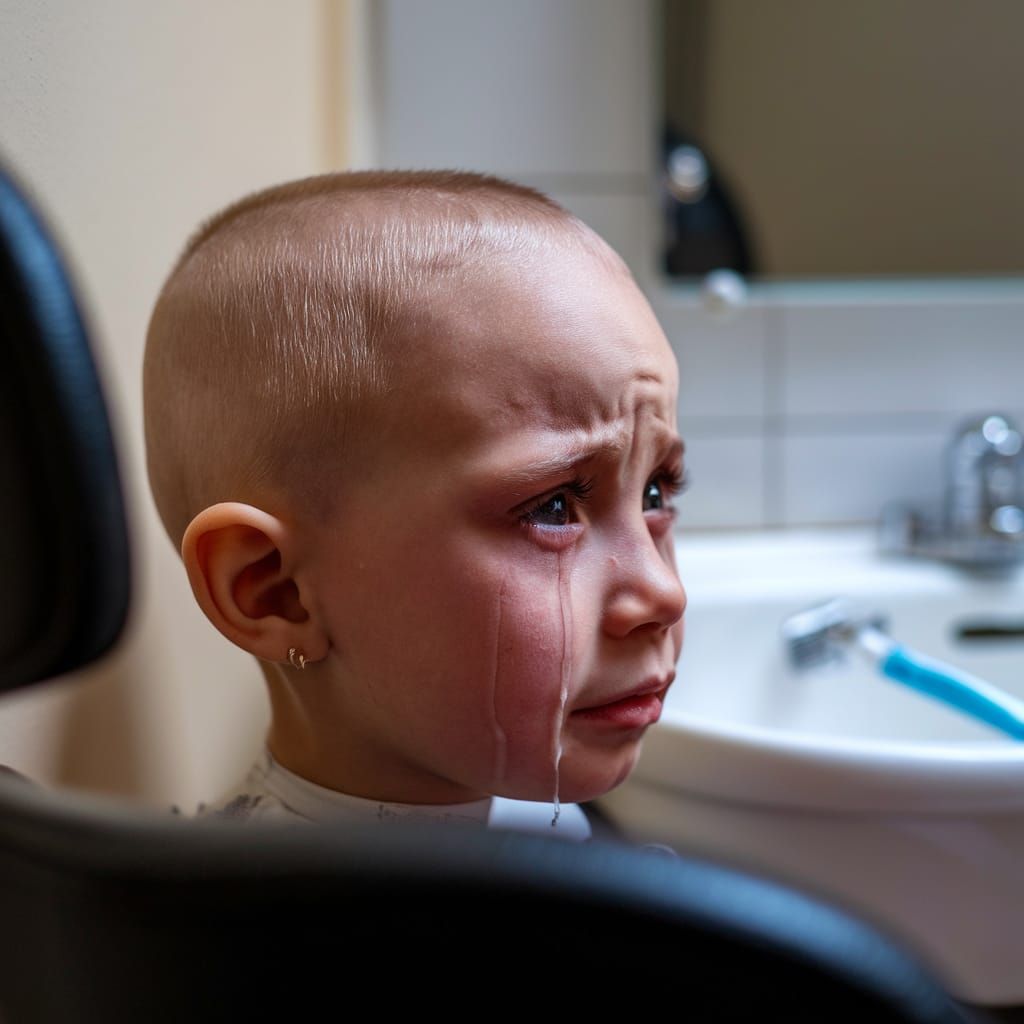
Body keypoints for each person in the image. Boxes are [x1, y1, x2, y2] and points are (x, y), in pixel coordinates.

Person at [143, 171, 686, 839]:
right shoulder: (254, 911)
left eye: (656, 492)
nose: (664, 594)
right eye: (552, 508)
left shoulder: (535, 822)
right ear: (275, 592)